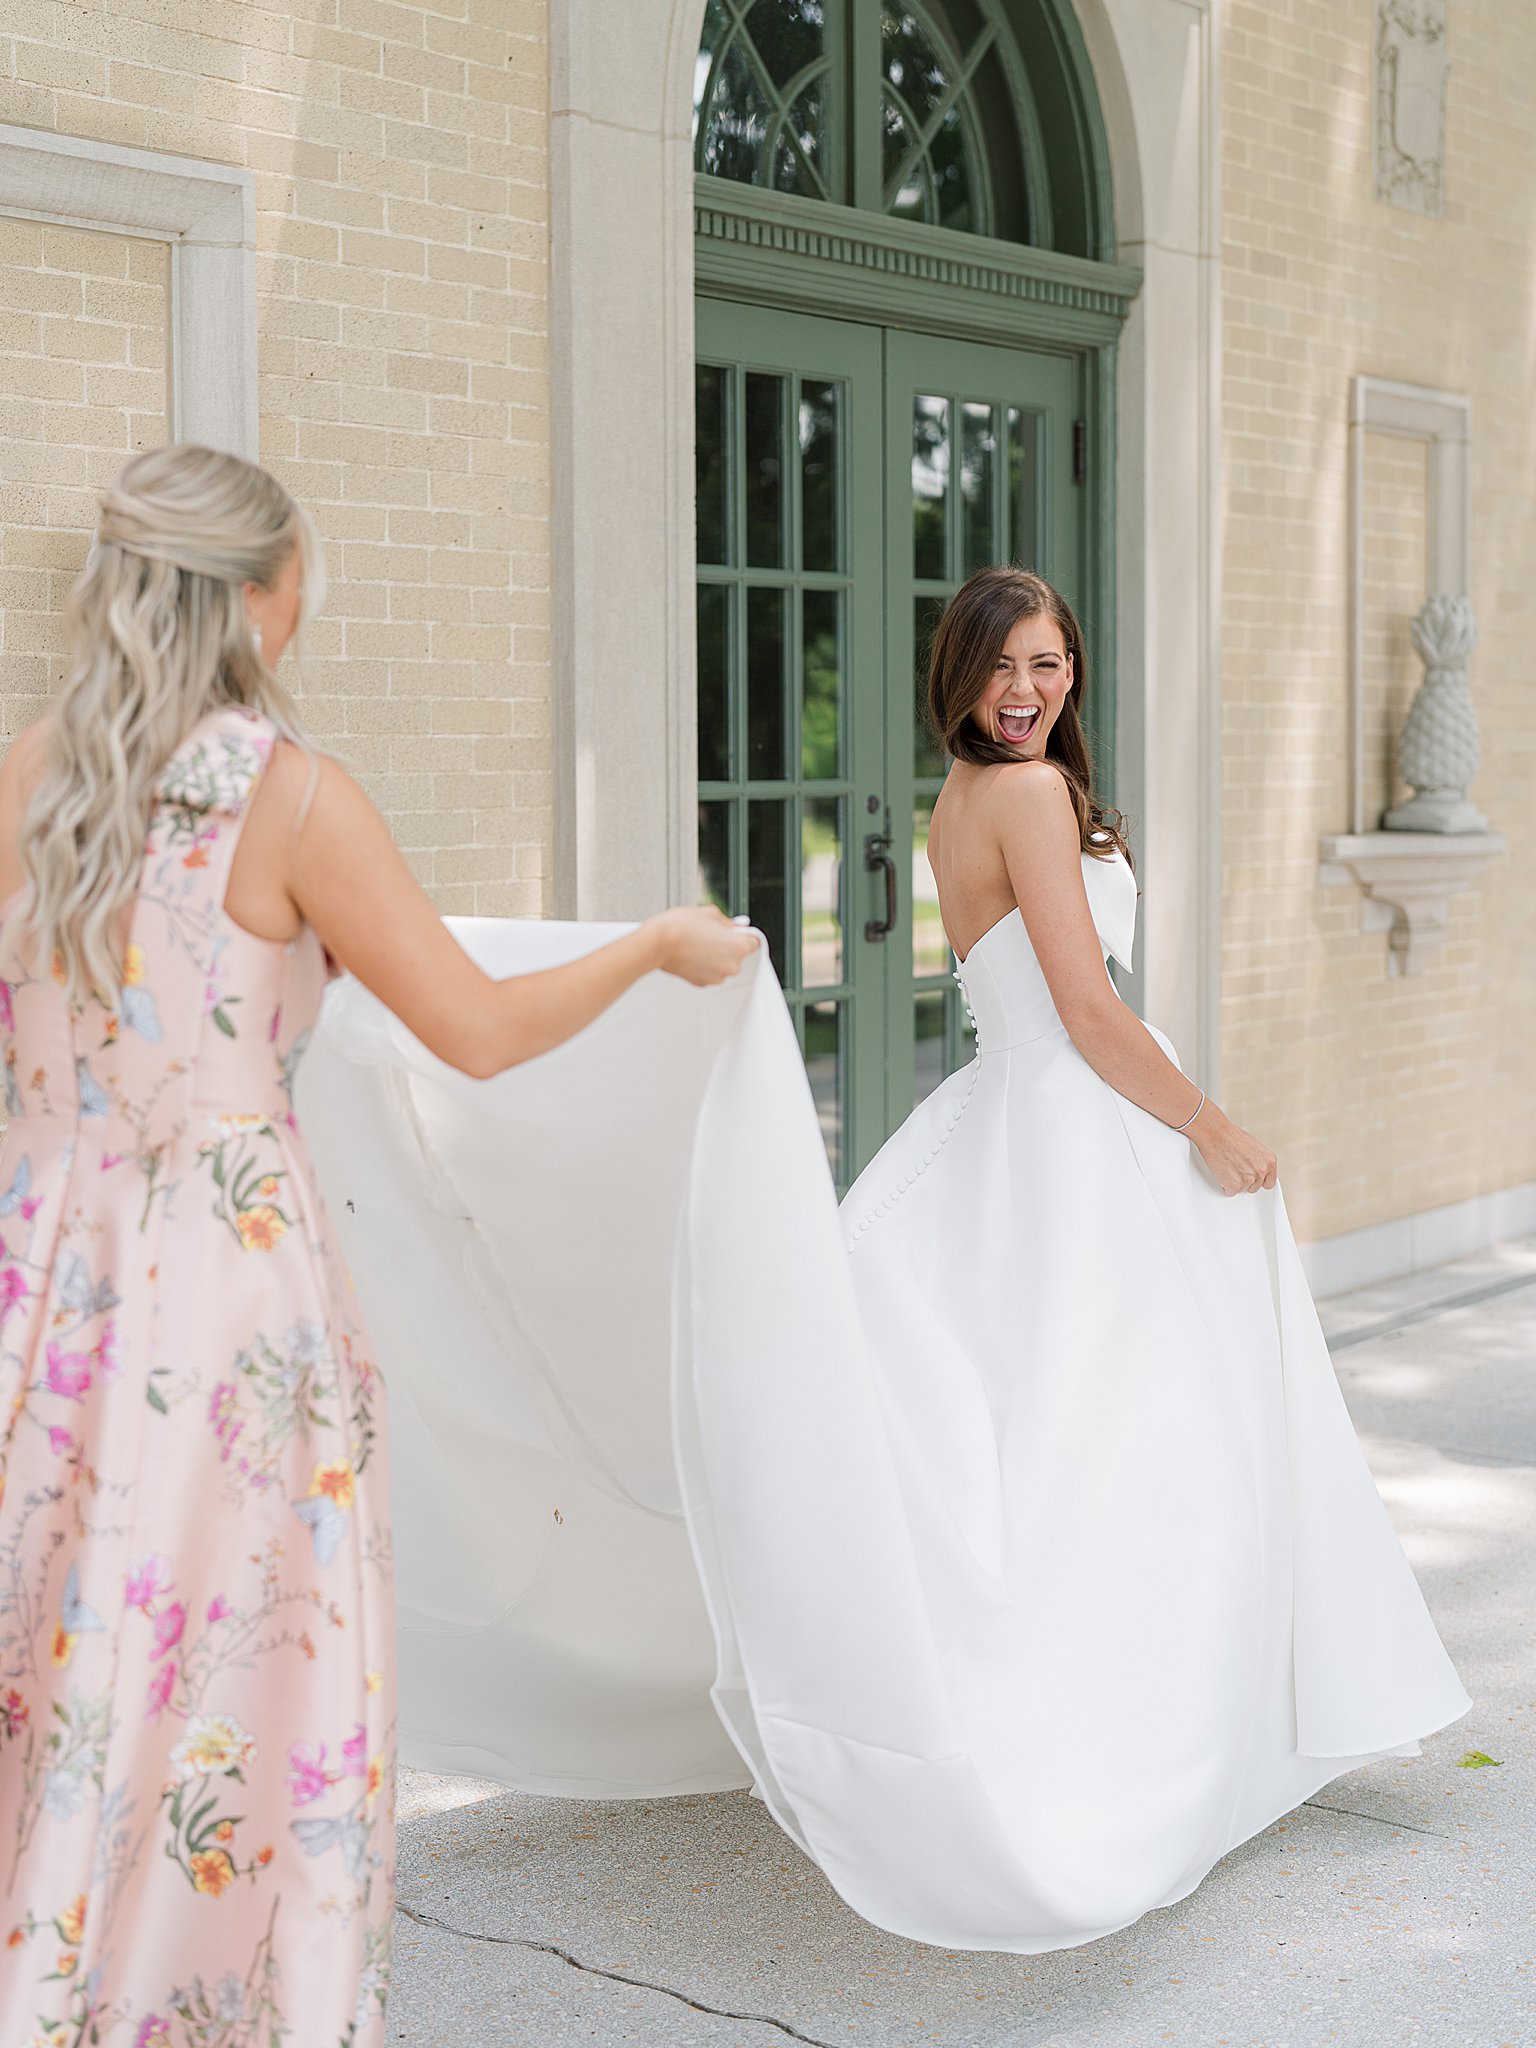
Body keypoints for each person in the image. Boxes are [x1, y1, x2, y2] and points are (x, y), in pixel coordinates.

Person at [0, 442, 755, 2043]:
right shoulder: (290, 796)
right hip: (226, 1302)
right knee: (227, 1674)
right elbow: (474, 1030)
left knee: (62, 1654)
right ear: (256, 601)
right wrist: (652, 947)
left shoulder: (29, 773)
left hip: (45, 1278)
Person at [816, 564, 1471, 1948]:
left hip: (1026, 1113)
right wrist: (1212, 1128)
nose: (1024, 692)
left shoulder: (964, 793)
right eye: (1000, 667)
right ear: (958, 674)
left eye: (1047, 664)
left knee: (1089, 1429)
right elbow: (1089, 1012)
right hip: (1084, 1119)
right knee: (1156, 1433)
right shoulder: (1025, 795)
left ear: (1073, 669)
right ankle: (1159, 1740)